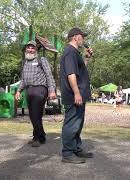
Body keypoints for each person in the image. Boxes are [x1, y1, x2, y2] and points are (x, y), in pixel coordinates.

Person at [60, 27, 94, 164]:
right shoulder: (70, 52)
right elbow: (71, 74)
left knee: (78, 124)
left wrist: (86, 58)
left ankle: (76, 149)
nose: (83, 39)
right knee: (71, 124)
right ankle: (67, 153)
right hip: (73, 95)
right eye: (82, 37)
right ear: (75, 37)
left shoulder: (75, 53)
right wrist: (76, 92)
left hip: (78, 94)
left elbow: (79, 71)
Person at [15, 40, 56, 147]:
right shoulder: (24, 62)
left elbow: (49, 75)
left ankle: (38, 137)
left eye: (32, 48)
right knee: (33, 115)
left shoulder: (41, 60)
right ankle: (39, 136)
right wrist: (18, 91)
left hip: (40, 89)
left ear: (36, 50)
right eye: (28, 47)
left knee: (35, 113)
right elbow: (23, 80)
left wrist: (52, 90)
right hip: (28, 90)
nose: (30, 49)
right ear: (25, 49)